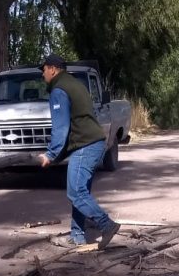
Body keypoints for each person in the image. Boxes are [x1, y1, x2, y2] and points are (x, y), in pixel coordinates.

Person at [38, 54, 120, 249]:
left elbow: (61, 127)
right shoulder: (75, 84)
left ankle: (106, 224)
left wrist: (50, 154)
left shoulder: (59, 90)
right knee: (80, 190)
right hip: (94, 143)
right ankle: (77, 235)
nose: (43, 75)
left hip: (86, 145)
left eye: (44, 71)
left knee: (76, 192)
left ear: (53, 69)